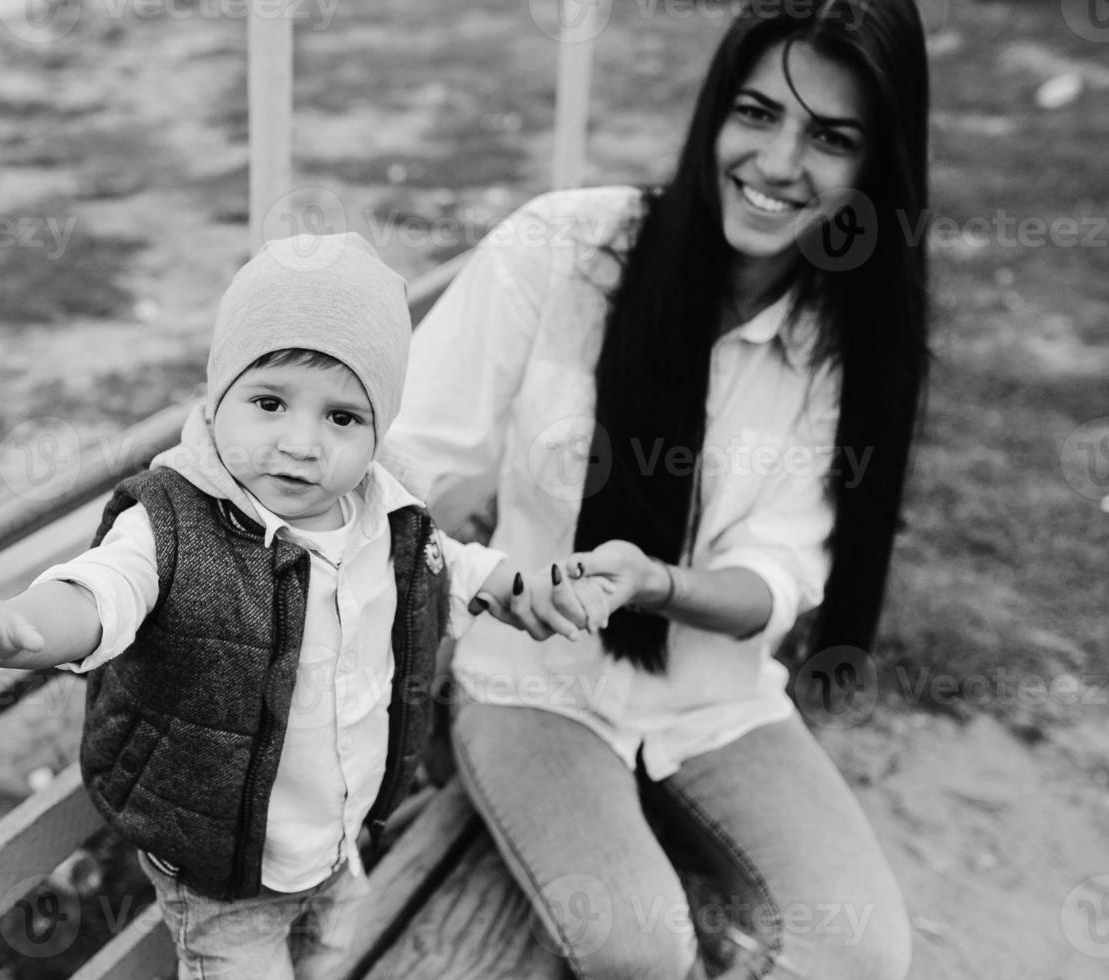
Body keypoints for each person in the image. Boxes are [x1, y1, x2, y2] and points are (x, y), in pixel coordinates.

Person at [378, 0, 930, 976]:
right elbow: (398, 450)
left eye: (831, 138)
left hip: (716, 701)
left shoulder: (846, 341)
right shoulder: (565, 247)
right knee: (640, 948)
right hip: (531, 686)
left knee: (863, 952)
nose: (777, 162)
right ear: (715, 109)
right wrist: (471, 543)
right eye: (756, 113)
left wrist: (657, 583)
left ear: (873, 167)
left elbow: (780, 578)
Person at [0, 232, 604, 980]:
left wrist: (509, 587)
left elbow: (442, 565)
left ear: (379, 429)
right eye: (270, 402)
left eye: (343, 418)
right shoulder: (174, 523)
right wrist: (23, 630)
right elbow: (102, 588)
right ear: (217, 396)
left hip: (337, 842)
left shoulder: (387, 514)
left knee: (329, 957)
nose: (302, 444)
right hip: (220, 867)